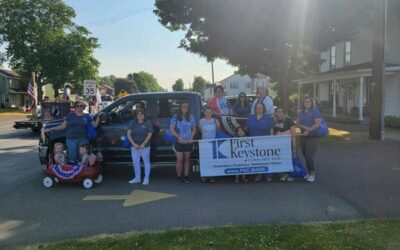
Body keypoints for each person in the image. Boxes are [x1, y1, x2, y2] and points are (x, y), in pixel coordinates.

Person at [296, 97, 322, 182]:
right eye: (305, 102)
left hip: (313, 136)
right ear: (303, 103)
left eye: (308, 102)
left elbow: (317, 124)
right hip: (303, 136)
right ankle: (309, 172)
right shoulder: (300, 112)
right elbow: (297, 123)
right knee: (304, 154)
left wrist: (309, 130)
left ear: (311, 103)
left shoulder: (315, 111)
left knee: (308, 155)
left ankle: (312, 174)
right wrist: (304, 128)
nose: (307, 103)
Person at [246, 102, 274, 182]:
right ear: (255, 109)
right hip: (253, 142)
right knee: (257, 159)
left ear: (263, 108)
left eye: (260, 107)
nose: (258, 108)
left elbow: (271, 129)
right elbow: (246, 129)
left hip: (265, 142)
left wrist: (272, 140)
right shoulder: (250, 117)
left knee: (267, 158)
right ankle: (259, 174)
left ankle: (268, 175)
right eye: (257, 107)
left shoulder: (268, 118)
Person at [170, 101, 196, 184]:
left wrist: (191, 137)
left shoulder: (191, 117)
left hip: (188, 141)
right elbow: (172, 129)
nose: (185, 108)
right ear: (180, 107)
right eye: (183, 106)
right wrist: (178, 137)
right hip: (178, 142)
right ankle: (179, 177)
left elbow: (194, 128)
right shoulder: (175, 117)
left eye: (186, 106)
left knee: (187, 159)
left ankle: (186, 176)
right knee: (179, 159)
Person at [127, 108, 153, 185]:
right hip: (134, 147)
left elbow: (150, 134)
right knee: (136, 163)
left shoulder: (147, 123)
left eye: (142, 114)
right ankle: (137, 178)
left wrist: (144, 143)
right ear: (136, 115)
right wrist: (134, 144)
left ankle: (146, 178)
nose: (140, 115)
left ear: (144, 115)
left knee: (146, 162)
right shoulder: (133, 122)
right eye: (138, 114)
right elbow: (128, 134)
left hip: (145, 147)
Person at [198, 105, 220, 183]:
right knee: (204, 160)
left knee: (212, 160)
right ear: (204, 113)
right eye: (207, 112)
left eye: (210, 112)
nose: (208, 114)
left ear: (212, 113)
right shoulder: (201, 121)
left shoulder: (215, 121)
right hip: (204, 143)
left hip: (213, 143)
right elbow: (200, 131)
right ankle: (204, 175)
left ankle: (211, 176)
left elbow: (218, 130)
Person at [273, 107, 296, 182]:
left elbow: (293, 133)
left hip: (288, 142)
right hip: (278, 143)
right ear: (276, 113)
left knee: (289, 158)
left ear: (284, 112)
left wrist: (294, 143)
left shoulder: (289, 120)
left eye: (281, 111)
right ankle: (283, 174)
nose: (280, 113)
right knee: (282, 158)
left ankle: (289, 174)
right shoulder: (274, 121)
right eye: (278, 111)